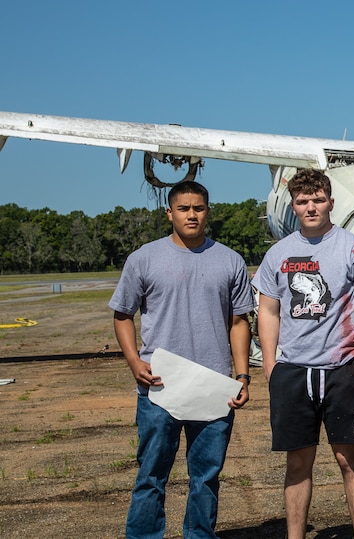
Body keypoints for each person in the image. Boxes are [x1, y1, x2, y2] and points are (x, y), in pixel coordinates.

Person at [110, 180, 254, 539]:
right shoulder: (144, 258)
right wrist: (133, 361)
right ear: (169, 212)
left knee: (205, 476)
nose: (192, 215)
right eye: (184, 208)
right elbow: (122, 314)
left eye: (199, 208)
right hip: (160, 384)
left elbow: (239, 322)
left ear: (208, 211)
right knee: (151, 475)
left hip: (214, 386)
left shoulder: (230, 260)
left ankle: (199, 534)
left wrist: (242, 375)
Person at [254, 168, 354, 539]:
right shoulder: (279, 253)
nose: (311, 207)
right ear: (294, 206)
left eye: (318, 200)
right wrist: (271, 365)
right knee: (298, 462)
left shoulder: (352, 247)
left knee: (348, 458)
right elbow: (269, 310)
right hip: (293, 371)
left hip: (341, 369)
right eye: (303, 201)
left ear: (331, 202)